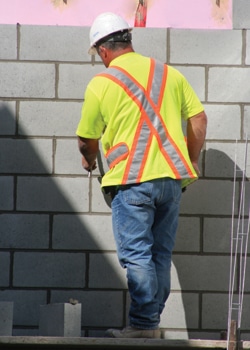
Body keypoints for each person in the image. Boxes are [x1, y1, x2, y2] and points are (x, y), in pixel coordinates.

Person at [76, 12, 207, 339]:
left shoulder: (102, 83)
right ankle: (149, 322)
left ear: (103, 51)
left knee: (137, 256)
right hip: (172, 182)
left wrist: (88, 159)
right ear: (128, 40)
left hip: (132, 184)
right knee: (158, 255)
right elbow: (199, 120)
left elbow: (86, 139)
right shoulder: (168, 73)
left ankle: (144, 326)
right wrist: (191, 158)